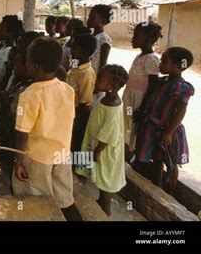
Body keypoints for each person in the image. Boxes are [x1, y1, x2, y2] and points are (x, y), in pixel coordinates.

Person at [13, 37, 80, 220]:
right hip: (62, 154)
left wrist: (18, 161)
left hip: (37, 158)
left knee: (38, 202)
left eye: (27, 59)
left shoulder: (29, 95)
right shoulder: (67, 89)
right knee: (63, 199)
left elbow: (22, 133)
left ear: (34, 66)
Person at [134, 47, 194, 194]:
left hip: (169, 131)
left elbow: (181, 111)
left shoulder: (180, 87)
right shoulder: (162, 81)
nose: (160, 63)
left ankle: (170, 192)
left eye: (165, 61)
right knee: (157, 158)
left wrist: (169, 132)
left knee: (171, 162)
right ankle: (157, 187)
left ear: (178, 67)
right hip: (154, 129)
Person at [76, 64, 129, 217]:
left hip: (104, 150)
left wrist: (98, 151)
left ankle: (106, 210)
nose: (96, 80)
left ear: (112, 86)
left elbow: (110, 132)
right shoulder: (106, 98)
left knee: (106, 179)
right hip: (97, 145)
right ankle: (100, 202)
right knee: (100, 175)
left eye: (100, 79)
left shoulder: (113, 105)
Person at [123, 22, 162, 153]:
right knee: (127, 125)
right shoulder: (139, 56)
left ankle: (134, 154)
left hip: (140, 100)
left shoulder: (151, 59)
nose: (133, 39)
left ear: (149, 39)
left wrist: (142, 108)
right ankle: (127, 150)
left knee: (136, 127)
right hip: (130, 97)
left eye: (136, 36)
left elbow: (153, 87)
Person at [0, 15, 23, 121]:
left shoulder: (11, 52)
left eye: (1, 29)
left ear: (11, 33)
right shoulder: (2, 48)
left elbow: (6, 75)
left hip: (2, 102)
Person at [66, 33, 97, 155]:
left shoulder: (86, 74)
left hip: (77, 116)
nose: (71, 51)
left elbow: (85, 102)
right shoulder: (75, 67)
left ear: (84, 51)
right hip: (69, 112)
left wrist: (76, 122)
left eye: (74, 48)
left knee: (74, 144)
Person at [87, 4, 113, 73]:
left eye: (93, 18)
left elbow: (103, 64)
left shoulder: (104, 39)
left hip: (94, 75)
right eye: (89, 17)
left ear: (103, 21)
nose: (89, 19)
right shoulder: (90, 36)